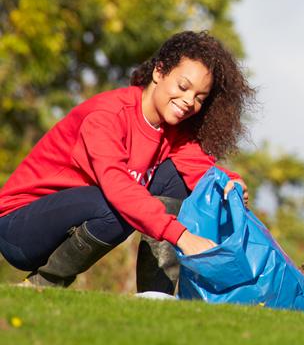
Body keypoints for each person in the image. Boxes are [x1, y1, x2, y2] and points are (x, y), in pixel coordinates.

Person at [0, 30, 256, 292]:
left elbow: (199, 169)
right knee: (118, 205)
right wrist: (183, 237)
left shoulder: (172, 131)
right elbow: (118, 187)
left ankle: (155, 296)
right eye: (183, 87)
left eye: (200, 98)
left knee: (174, 177)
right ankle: (43, 284)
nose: (189, 101)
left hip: (75, 220)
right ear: (159, 72)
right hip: (19, 228)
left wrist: (230, 183)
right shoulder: (106, 116)